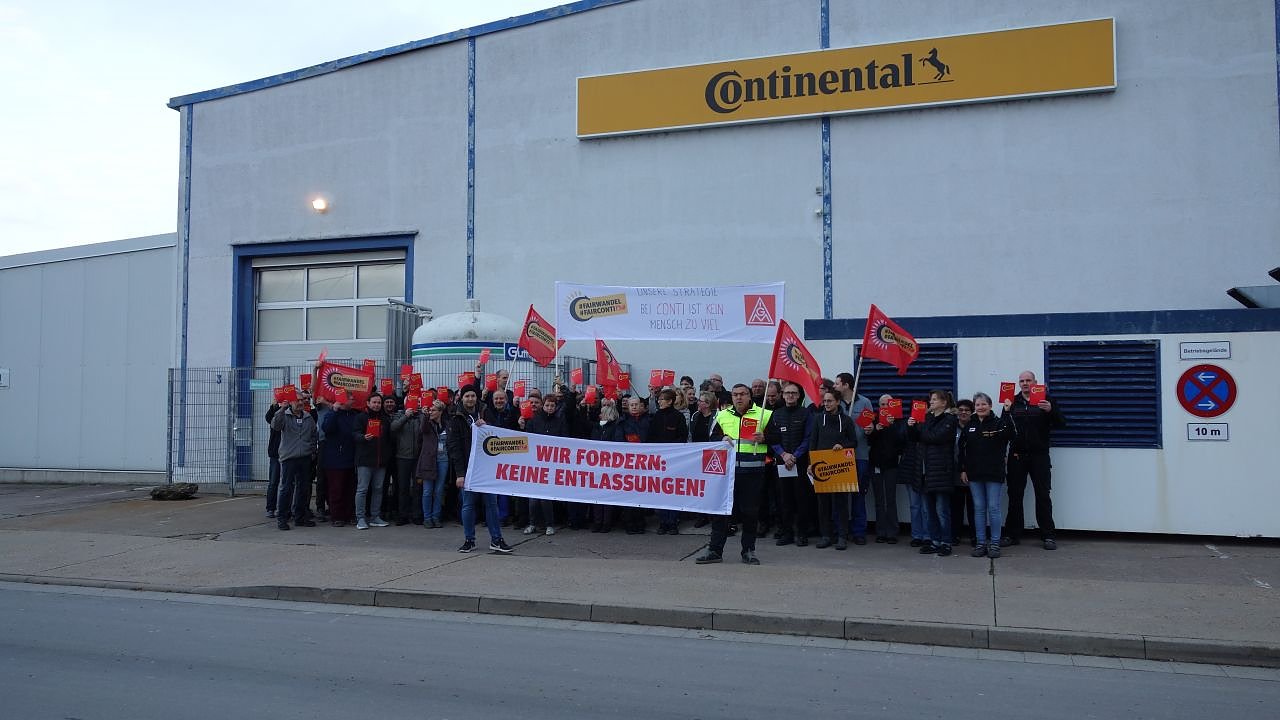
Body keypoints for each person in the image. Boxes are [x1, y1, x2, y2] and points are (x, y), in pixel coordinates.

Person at [697, 383, 776, 565]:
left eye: (742, 394)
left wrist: (765, 438)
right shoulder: (722, 415)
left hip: (752, 472)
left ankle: (748, 551)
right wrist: (721, 438)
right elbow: (712, 437)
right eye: (735, 394)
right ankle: (715, 550)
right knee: (722, 513)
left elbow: (778, 437)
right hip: (727, 474)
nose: (739, 397)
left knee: (750, 514)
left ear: (749, 396)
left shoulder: (764, 414)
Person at [1003, 370, 1067, 550]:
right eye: (1022, 381)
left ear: (1035, 382)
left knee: (1043, 495)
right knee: (1015, 495)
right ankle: (1012, 534)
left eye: (1028, 380)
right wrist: (1006, 412)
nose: (1025, 383)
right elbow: (1003, 427)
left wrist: (1050, 410)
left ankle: (1048, 535)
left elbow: (1062, 423)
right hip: (1017, 455)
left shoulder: (1046, 400)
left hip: (1039, 455)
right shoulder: (1011, 401)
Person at [448, 385, 513, 554]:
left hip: (486, 467)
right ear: (462, 398)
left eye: (473, 396)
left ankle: (496, 539)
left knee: (491, 504)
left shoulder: (485, 411)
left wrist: (487, 426)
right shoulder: (456, 417)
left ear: (477, 398)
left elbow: (497, 433)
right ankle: (469, 540)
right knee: (468, 505)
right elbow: (454, 447)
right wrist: (460, 474)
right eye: (467, 396)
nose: (470, 399)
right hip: (468, 468)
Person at [960, 392, 1016, 558]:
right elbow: (961, 449)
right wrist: (963, 469)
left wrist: (1007, 412)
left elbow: (1011, 434)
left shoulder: (999, 422)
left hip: (993, 472)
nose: (980, 407)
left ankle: (995, 544)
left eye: (984, 404)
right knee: (978, 508)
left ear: (990, 406)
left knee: (993, 508)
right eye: (977, 405)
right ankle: (981, 543)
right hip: (974, 474)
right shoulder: (970, 425)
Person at [911, 389, 959, 556]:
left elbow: (934, 437)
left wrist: (921, 425)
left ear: (943, 402)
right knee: (928, 510)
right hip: (925, 471)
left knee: (941, 510)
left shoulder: (949, 420)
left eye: (934, 400)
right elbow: (914, 438)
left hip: (940, 472)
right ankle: (934, 540)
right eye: (930, 399)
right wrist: (912, 425)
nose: (930, 402)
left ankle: (946, 542)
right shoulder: (927, 419)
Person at [809, 389, 855, 550]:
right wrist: (810, 463)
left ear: (837, 402)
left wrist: (842, 445)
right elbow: (813, 442)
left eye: (829, 401)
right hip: (821, 466)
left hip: (840, 467)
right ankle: (826, 536)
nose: (826, 404)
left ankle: (842, 536)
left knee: (841, 503)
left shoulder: (847, 420)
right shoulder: (818, 419)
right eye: (825, 401)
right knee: (823, 504)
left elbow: (854, 442)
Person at [771, 383, 815, 547]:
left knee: (801, 499)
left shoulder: (806, 414)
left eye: (793, 393)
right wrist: (784, 454)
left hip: (800, 463)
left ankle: (802, 534)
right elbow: (773, 438)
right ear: (782, 395)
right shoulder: (776, 414)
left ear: (798, 396)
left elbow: (808, 438)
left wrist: (795, 456)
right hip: (782, 463)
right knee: (784, 499)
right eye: (787, 392)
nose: (790, 395)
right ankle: (787, 533)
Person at [834, 372, 874, 544]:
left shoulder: (865, 402)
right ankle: (840, 531)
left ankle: (859, 532)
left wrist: (870, 428)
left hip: (860, 455)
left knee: (858, 495)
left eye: (837, 383)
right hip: (839, 456)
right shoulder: (835, 403)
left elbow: (869, 425)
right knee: (839, 496)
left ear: (846, 385)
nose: (834, 386)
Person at [269, 395, 318, 530]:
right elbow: (275, 426)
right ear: (291, 402)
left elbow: (314, 434)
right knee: (286, 488)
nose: (301, 402)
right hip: (289, 457)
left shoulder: (308, 417)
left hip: (305, 457)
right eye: (298, 400)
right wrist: (281, 409)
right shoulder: (284, 416)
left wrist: (312, 450)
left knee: (303, 488)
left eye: (302, 400)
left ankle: (300, 517)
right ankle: (282, 518)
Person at [522, 393, 567, 536]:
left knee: (545, 497)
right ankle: (532, 523)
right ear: (543, 405)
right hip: (535, 463)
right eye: (547, 405)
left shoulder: (560, 421)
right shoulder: (534, 420)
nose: (549, 408)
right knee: (533, 498)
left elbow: (564, 439)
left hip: (551, 464)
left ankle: (549, 524)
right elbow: (527, 438)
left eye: (552, 405)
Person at [647, 387, 689, 534]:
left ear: (670, 401)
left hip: (674, 459)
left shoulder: (678, 417)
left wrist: (671, 450)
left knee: (672, 490)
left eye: (662, 400)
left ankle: (673, 522)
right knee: (660, 491)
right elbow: (651, 436)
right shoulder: (657, 416)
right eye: (658, 400)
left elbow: (682, 437)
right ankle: (663, 522)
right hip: (659, 459)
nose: (659, 402)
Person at [868, 393, 904, 543]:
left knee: (890, 499)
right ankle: (881, 532)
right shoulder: (873, 419)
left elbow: (902, 441)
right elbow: (868, 440)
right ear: (879, 406)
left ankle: (892, 532)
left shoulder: (898, 420)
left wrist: (892, 425)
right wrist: (876, 429)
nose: (885, 407)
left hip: (891, 465)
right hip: (876, 464)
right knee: (879, 499)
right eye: (882, 404)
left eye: (888, 404)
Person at [353, 393, 392, 530]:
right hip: (364, 460)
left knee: (378, 489)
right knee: (362, 489)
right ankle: (360, 518)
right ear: (368, 403)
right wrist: (363, 437)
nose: (376, 405)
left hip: (380, 461)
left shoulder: (385, 419)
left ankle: (375, 516)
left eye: (379, 403)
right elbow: (354, 434)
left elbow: (388, 439)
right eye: (374, 402)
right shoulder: (360, 418)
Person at [319, 394, 358, 527]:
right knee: (336, 490)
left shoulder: (354, 415)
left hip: (351, 458)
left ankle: (350, 514)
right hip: (335, 459)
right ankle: (337, 516)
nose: (354, 400)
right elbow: (326, 428)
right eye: (351, 398)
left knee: (350, 489)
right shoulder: (332, 414)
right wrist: (334, 411)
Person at [618, 395, 652, 534]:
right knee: (628, 494)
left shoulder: (648, 420)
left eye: (636, 405)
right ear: (628, 407)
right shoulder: (622, 422)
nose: (634, 407)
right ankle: (629, 523)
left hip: (644, 462)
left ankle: (640, 522)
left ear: (641, 406)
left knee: (641, 493)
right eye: (631, 405)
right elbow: (619, 441)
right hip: (628, 462)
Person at [590, 400, 624, 532]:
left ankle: (606, 523)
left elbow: (617, 444)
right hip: (596, 465)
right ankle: (597, 521)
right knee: (596, 496)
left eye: (603, 412)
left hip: (609, 466)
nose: (600, 415)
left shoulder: (615, 428)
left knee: (607, 496)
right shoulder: (596, 427)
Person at [390, 397, 424, 525]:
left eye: (417, 402)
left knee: (417, 488)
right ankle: (402, 515)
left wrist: (423, 414)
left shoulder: (421, 415)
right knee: (402, 487)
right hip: (402, 457)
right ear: (405, 404)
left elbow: (425, 429)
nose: (415, 404)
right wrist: (405, 416)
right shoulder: (399, 415)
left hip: (418, 458)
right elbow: (393, 428)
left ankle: (416, 514)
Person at [415, 400, 448, 528]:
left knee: (439, 490)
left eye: (433, 410)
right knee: (427, 491)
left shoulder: (447, 424)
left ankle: (436, 517)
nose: (431, 412)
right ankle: (427, 518)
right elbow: (422, 430)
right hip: (428, 460)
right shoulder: (427, 423)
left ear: (440, 412)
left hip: (443, 460)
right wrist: (425, 416)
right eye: (430, 410)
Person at [950, 398, 975, 545]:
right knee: (956, 507)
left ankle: (974, 536)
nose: (963, 412)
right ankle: (955, 535)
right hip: (954, 474)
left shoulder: (975, 427)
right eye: (961, 410)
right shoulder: (951, 427)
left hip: (972, 474)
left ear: (972, 412)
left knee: (974, 508)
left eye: (967, 410)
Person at [264, 401, 283, 519]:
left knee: (288, 482)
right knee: (273, 481)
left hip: (289, 452)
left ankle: (284, 507)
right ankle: (271, 508)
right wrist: (275, 406)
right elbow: (268, 418)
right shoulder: (276, 410)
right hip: (276, 452)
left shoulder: (293, 412)